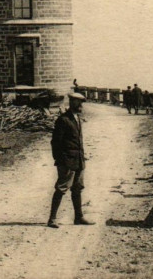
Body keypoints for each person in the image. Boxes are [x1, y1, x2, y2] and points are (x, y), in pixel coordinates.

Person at [47, 92, 95, 228]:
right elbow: (55, 142)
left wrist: (82, 156)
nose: (81, 105)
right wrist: (60, 160)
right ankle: (52, 219)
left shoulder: (77, 118)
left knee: (77, 188)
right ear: (72, 102)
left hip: (79, 160)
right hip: (67, 161)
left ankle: (79, 217)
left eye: (82, 103)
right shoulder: (63, 120)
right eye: (78, 102)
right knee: (61, 188)